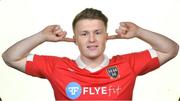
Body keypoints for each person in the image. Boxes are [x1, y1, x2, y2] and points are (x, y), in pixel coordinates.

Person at [2, 8, 179, 100]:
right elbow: (10, 57)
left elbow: (170, 49)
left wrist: (139, 32)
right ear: (75, 39)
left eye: (98, 32)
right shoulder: (57, 67)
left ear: (107, 36)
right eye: (84, 34)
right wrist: (41, 36)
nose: (92, 39)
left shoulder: (127, 64)